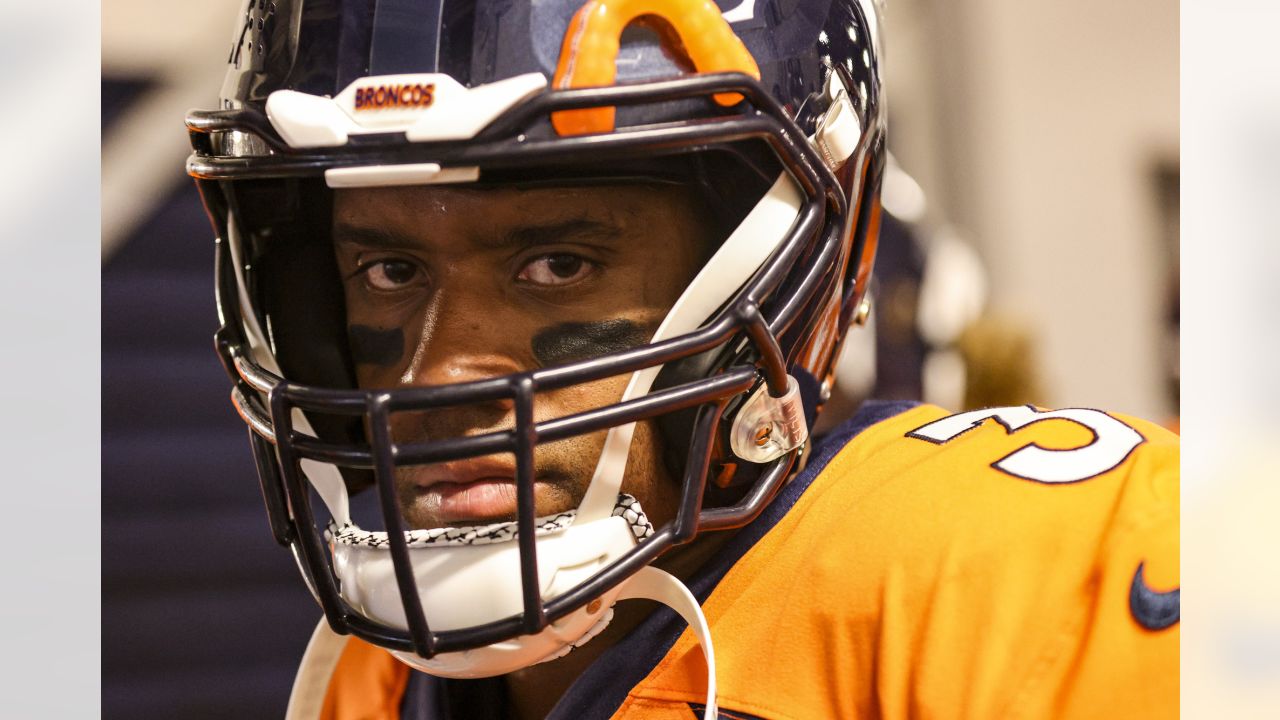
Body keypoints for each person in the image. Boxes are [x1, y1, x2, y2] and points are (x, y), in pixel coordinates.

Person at [185, 0, 1179, 717]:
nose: (438, 375)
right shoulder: (386, 680)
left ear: (791, 267)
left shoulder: (1004, 582)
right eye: (391, 270)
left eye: (556, 263)